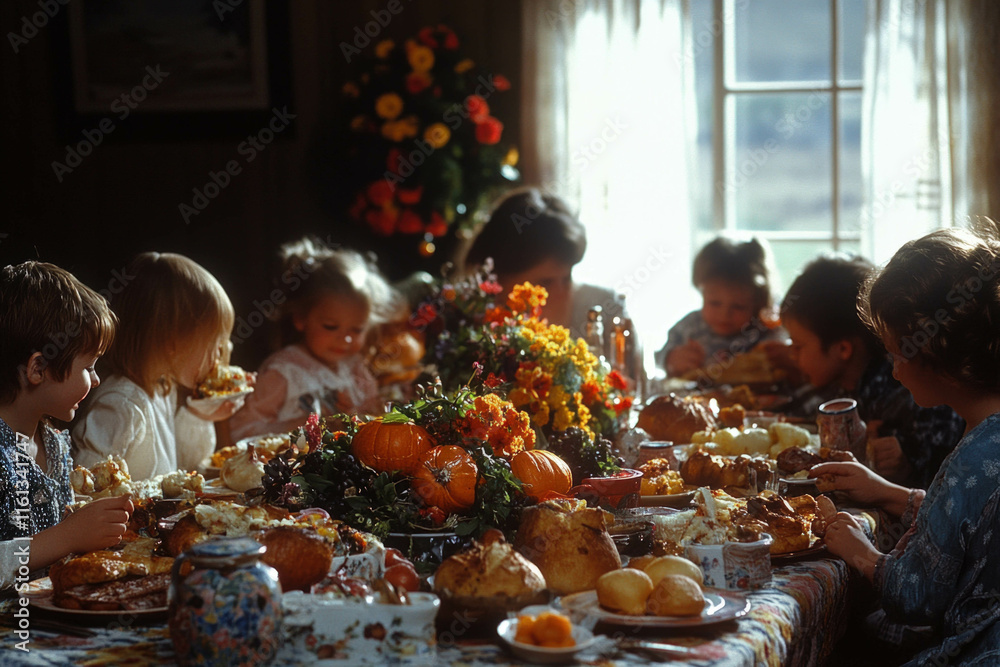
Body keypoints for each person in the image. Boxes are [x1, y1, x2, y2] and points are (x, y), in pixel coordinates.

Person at [813, 224, 1000, 664]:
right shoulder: (986, 441)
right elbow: (971, 531)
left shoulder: (971, 461)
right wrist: (887, 493)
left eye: (898, 353)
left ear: (935, 353)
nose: (894, 370)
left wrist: (861, 552)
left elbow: (917, 596)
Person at [0, 261, 132, 589]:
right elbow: (59, 540)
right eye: (88, 366)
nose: (98, 379)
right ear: (38, 368)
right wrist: (68, 536)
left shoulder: (55, 444)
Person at [781, 254, 964, 488]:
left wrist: (904, 464)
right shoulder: (843, 382)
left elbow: (940, 479)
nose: (791, 355)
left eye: (798, 346)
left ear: (843, 348)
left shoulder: (908, 389)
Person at [72, 253, 237, 479]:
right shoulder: (121, 405)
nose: (218, 358)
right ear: (173, 341)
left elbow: (184, 468)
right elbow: (84, 486)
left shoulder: (163, 389)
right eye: (213, 345)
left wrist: (201, 415)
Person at [230, 238, 403, 440]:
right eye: (331, 327)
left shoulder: (355, 368)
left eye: (357, 330)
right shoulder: (283, 372)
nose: (346, 339)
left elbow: (371, 421)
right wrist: (301, 424)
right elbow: (239, 430)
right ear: (301, 318)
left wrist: (360, 414)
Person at [462, 188, 629, 349]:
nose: (562, 294)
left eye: (567, 278)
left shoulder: (606, 315)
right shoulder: (470, 328)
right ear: (498, 280)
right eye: (545, 283)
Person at [655, 236, 785, 378]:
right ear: (701, 291)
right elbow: (660, 356)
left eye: (738, 306)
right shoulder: (690, 326)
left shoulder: (764, 331)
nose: (724, 315)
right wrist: (670, 359)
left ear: (757, 302)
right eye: (714, 303)